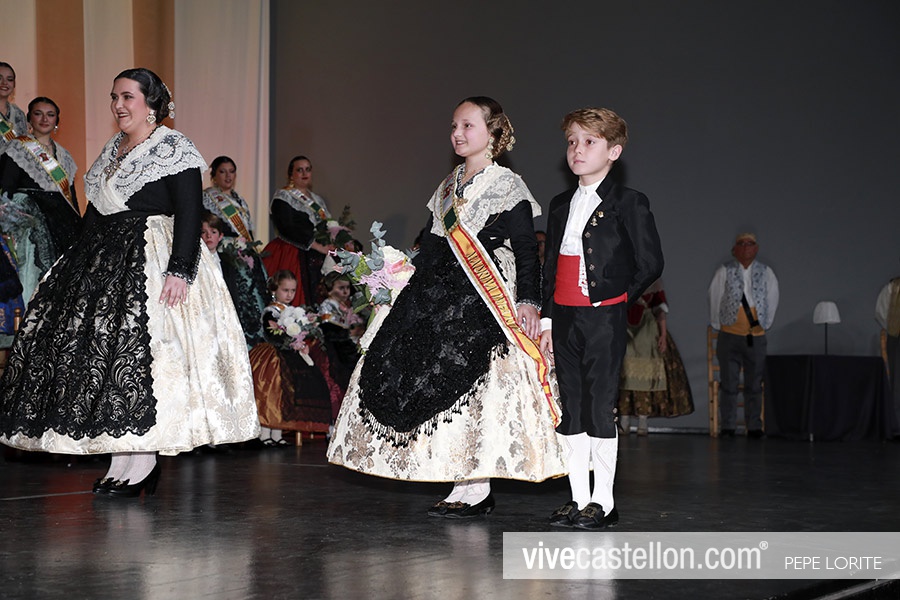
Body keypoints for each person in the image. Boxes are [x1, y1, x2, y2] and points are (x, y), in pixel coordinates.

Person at [0, 67, 258, 497]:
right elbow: (95, 213)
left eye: (127, 97)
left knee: (149, 359)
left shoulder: (173, 146)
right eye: (114, 97)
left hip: (153, 255)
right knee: (109, 360)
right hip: (106, 256)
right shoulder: (112, 149)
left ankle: (144, 461)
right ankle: (121, 457)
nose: (118, 105)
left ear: (150, 103)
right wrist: (71, 262)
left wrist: (180, 269)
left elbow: (189, 210)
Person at [328, 96, 566, 518]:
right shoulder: (445, 188)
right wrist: (402, 285)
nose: (457, 133)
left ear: (492, 132)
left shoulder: (507, 184)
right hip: (438, 292)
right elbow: (432, 247)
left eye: (467, 126)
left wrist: (529, 301)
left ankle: (476, 487)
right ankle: (458, 479)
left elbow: (527, 250)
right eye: (454, 126)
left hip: (484, 295)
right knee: (419, 371)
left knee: (475, 385)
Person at [541, 107, 663, 530]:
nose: (577, 149)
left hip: (602, 318)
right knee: (570, 408)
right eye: (572, 141)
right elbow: (549, 267)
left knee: (598, 406)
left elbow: (651, 262)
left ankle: (604, 501)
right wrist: (546, 321)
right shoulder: (560, 205)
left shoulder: (629, 202)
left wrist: (616, 300)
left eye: (589, 142)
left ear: (614, 151)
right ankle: (578, 497)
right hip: (563, 318)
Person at [0, 97, 82, 311]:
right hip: (32, 221)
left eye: (50, 115)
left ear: (57, 122)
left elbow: (71, 198)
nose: (45, 119)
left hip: (62, 222)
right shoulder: (17, 147)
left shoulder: (65, 156)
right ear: (29, 119)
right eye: (38, 114)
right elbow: (6, 188)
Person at [249, 269, 332, 446]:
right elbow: (272, 334)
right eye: (285, 290)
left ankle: (277, 434)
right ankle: (265, 434)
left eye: (293, 291)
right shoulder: (271, 311)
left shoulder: (294, 311)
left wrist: (301, 340)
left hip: (289, 355)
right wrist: (292, 341)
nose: (289, 294)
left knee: (286, 395)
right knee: (270, 393)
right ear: (275, 290)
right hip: (272, 356)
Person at [708, 232, 779, 438]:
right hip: (729, 334)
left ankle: (754, 426)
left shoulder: (766, 272)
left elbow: (772, 298)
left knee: (754, 383)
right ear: (735, 249)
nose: (746, 247)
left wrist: (765, 323)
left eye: (750, 244)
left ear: (756, 248)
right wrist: (718, 323)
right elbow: (714, 297)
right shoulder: (724, 271)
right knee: (728, 383)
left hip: (755, 336)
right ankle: (728, 426)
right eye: (742, 244)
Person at [202, 156, 268, 347]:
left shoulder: (240, 200)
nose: (228, 176)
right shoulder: (208, 198)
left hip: (245, 253)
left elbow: (248, 231)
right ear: (214, 175)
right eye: (222, 172)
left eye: (231, 171)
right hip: (226, 254)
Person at [617, 279, 694, 435]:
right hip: (626, 331)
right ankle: (624, 420)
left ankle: (642, 421)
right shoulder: (622, 277)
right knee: (625, 374)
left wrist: (663, 335)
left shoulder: (653, 281)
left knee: (647, 376)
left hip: (647, 332)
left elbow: (660, 310)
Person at [262, 156, 335, 306]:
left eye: (308, 169)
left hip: (318, 255)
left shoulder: (317, 200)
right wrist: (316, 246)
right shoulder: (283, 196)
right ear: (291, 174)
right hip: (293, 251)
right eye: (299, 170)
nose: (304, 173)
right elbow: (287, 227)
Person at [318, 272, 364, 420]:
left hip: (350, 344)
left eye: (347, 288)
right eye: (341, 288)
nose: (345, 292)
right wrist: (349, 332)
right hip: (336, 347)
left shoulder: (347, 306)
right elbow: (329, 328)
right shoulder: (327, 305)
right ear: (330, 289)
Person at [875, 275, 900, 425]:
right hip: (897, 337)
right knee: (898, 383)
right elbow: (881, 313)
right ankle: (897, 424)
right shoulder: (893, 287)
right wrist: (893, 329)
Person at [0, 62, 28, 153]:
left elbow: (23, 147)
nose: (4, 83)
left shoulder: (18, 114)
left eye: (10, 79)